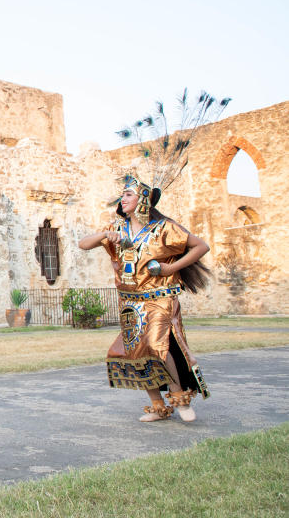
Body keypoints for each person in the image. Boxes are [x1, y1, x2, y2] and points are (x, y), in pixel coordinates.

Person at [78, 175, 211, 423]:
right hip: (130, 301)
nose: (123, 199)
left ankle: (179, 396)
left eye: (128, 194)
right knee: (136, 352)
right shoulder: (117, 228)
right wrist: (105, 235)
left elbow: (201, 246)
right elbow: (83, 244)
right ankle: (158, 406)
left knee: (157, 345)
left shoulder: (164, 229)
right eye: (123, 195)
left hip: (160, 297)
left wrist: (171, 269)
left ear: (143, 200)